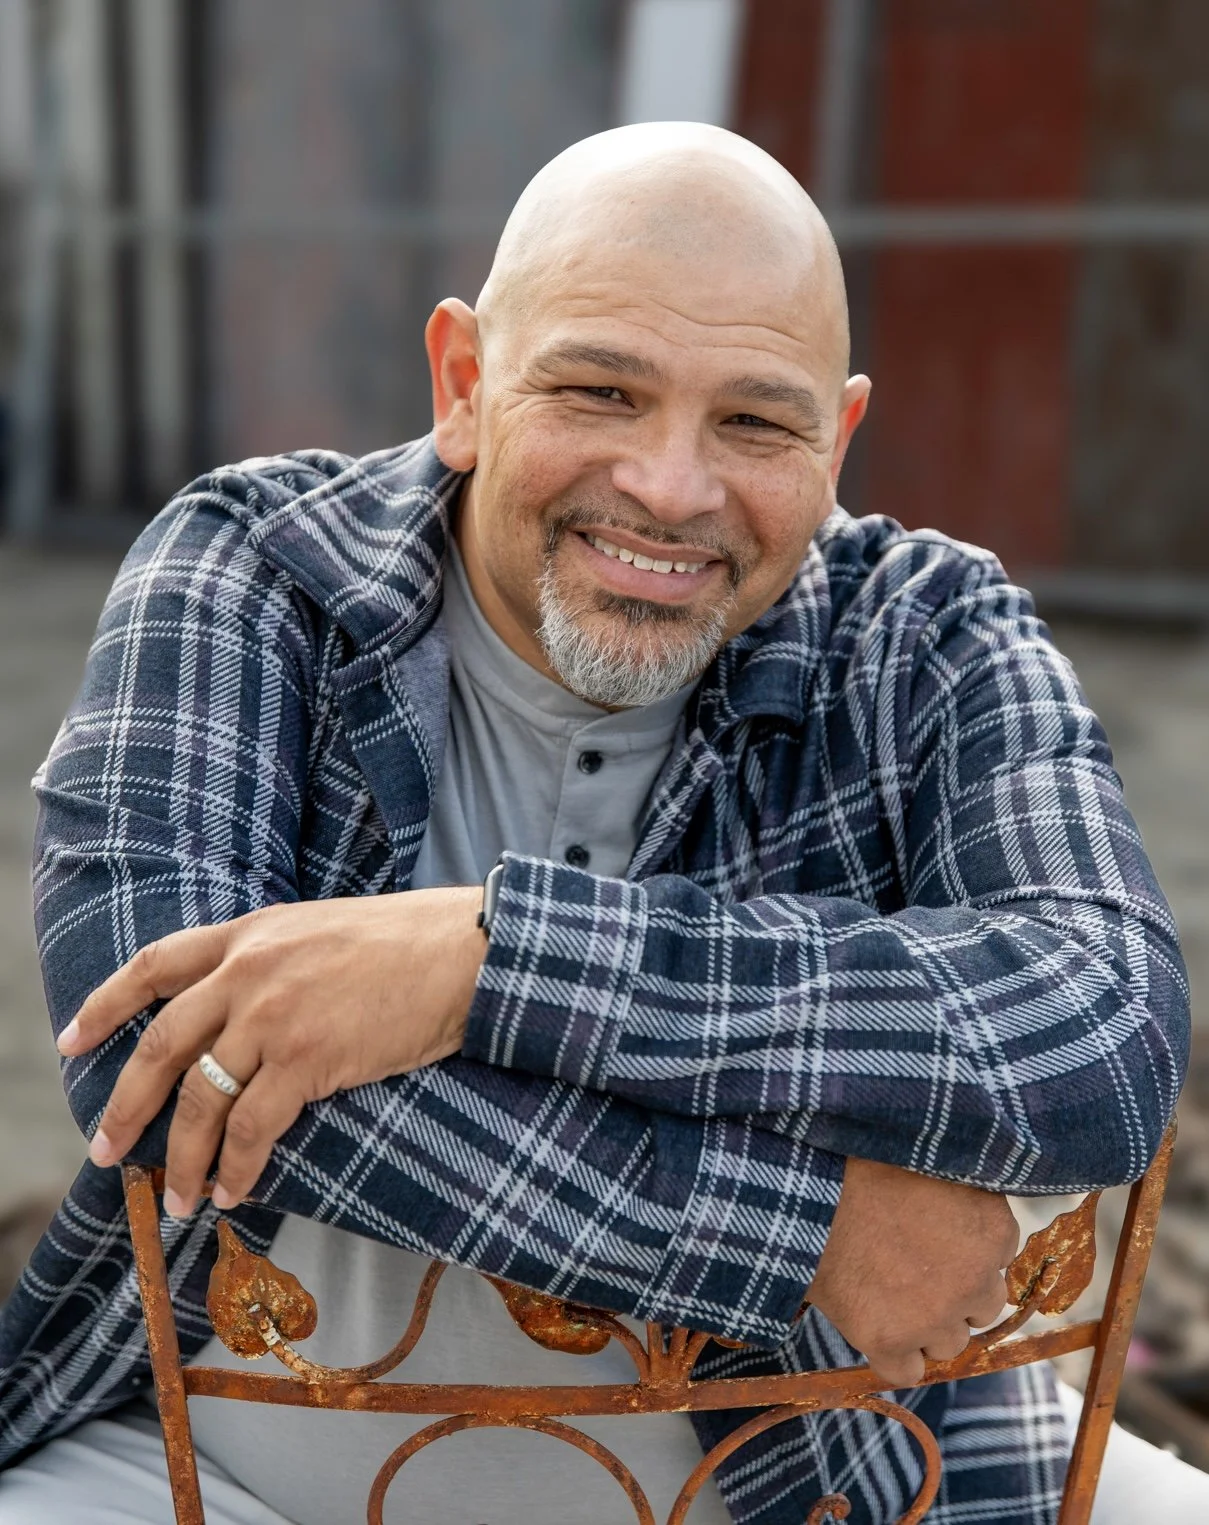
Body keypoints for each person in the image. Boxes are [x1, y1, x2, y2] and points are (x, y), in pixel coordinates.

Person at [0, 123, 1200, 1523]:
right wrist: (806, 1231)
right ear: (464, 380)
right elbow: (148, 1045)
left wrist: (485, 960)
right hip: (223, 1463)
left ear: (839, 437)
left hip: (830, 1469)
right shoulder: (257, 570)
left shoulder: (929, 632)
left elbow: (1105, 1036)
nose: (671, 487)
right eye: (600, 389)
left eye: (754, 420)